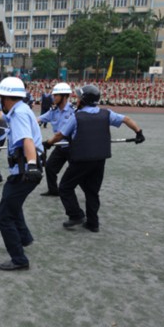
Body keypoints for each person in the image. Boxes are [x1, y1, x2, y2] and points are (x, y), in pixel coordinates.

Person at [44, 84, 145, 232]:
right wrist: (139, 132)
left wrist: (48, 143)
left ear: (84, 100)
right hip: (99, 159)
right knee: (92, 191)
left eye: (78, 97)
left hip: (81, 159)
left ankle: (76, 215)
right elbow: (126, 119)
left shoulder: (76, 117)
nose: (76, 100)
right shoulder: (106, 113)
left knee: (65, 187)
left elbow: (61, 135)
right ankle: (93, 223)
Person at [0, 77, 43, 271]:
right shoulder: (19, 109)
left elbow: (27, 140)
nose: (0, 101)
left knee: (3, 216)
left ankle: (19, 259)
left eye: (1, 97)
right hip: (20, 170)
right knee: (13, 204)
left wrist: (31, 165)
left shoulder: (18, 114)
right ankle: (25, 238)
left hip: (24, 172)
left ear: (7, 98)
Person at [37, 82, 74, 197]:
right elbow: (39, 119)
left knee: (77, 172)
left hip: (73, 147)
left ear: (64, 96)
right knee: (50, 167)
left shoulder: (73, 110)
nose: (53, 97)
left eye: (56, 95)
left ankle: (89, 193)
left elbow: (61, 134)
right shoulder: (54, 111)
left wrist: (49, 142)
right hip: (60, 146)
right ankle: (53, 190)